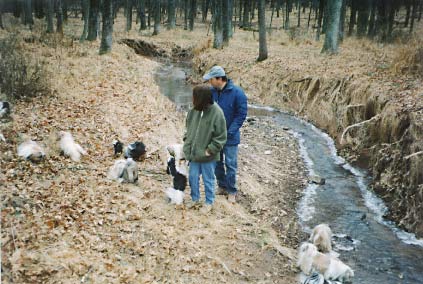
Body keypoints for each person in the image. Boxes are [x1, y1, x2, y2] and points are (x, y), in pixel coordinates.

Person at [203, 66, 247, 203]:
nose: (209, 82)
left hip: (230, 137)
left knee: (231, 164)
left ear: (219, 79)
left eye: (211, 79)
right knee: (216, 162)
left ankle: (231, 190)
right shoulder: (211, 92)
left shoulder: (238, 93)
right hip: (214, 136)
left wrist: (229, 132)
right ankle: (222, 186)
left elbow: (241, 115)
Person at [183, 85, 227, 213]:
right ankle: (195, 199)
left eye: (194, 97)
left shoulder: (217, 113)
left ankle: (209, 202)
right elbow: (188, 127)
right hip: (194, 153)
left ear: (201, 98)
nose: (192, 99)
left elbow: (221, 136)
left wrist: (210, 150)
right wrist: (186, 140)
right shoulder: (194, 110)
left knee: (208, 179)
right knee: (192, 177)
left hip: (208, 155)